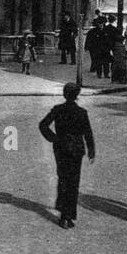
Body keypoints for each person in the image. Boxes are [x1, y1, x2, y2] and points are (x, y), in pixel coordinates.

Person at [39, 82, 96, 229]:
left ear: (64, 94)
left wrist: (54, 138)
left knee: (63, 178)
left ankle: (63, 214)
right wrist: (91, 151)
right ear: (77, 95)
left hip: (61, 148)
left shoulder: (58, 110)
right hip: (76, 149)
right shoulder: (82, 112)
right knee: (73, 182)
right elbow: (87, 133)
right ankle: (68, 215)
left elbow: (43, 125)